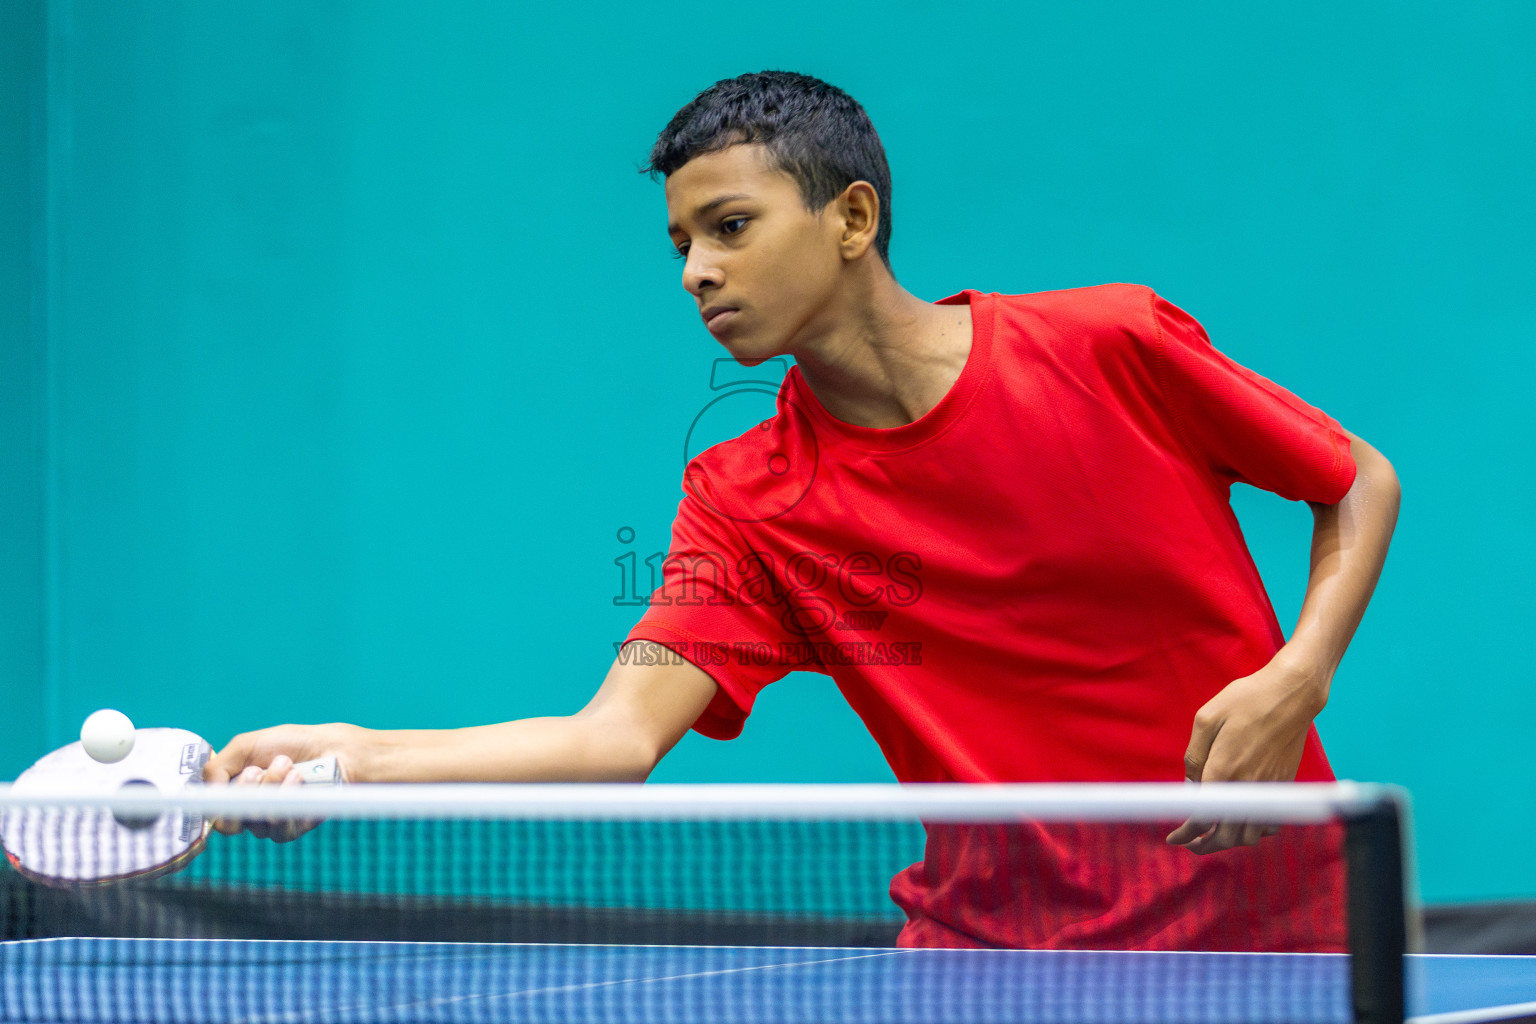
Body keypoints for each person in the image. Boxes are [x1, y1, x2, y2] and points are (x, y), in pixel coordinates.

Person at [208, 71, 1401, 951]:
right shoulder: (746, 499)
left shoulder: (1110, 344)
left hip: (1269, 927)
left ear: (853, 219)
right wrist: (358, 757)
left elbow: (1356, 478)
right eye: (680, 244)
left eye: (730, 227)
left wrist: (1299, 675)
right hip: (990, 956)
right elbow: (615, 738)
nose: (696, 271)